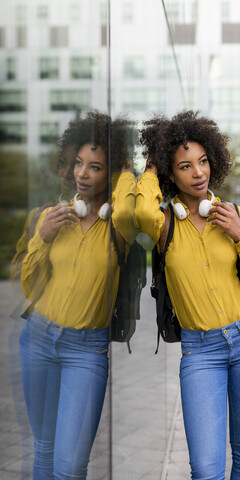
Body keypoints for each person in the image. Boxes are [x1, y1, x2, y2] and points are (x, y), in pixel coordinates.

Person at [135, 110, 240, 480]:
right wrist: (149, 168)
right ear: (170, 173)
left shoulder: (236, 215)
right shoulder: (164, 224)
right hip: (200, 353)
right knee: (206, 469)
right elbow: (138, 208)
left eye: (203, 161)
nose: (199, 173)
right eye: (184, 165)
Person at [19, 111, 137, 480]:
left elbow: (139, 205)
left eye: (95, 166)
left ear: (112, 171)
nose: (82, 173)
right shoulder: (51, 217)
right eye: (78, 163)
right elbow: (30, 287)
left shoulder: (120, 226)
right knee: (44, 451)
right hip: (37, 338)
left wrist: (128, 169)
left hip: (86, 350)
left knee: (69, 467)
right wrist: (43, 237)